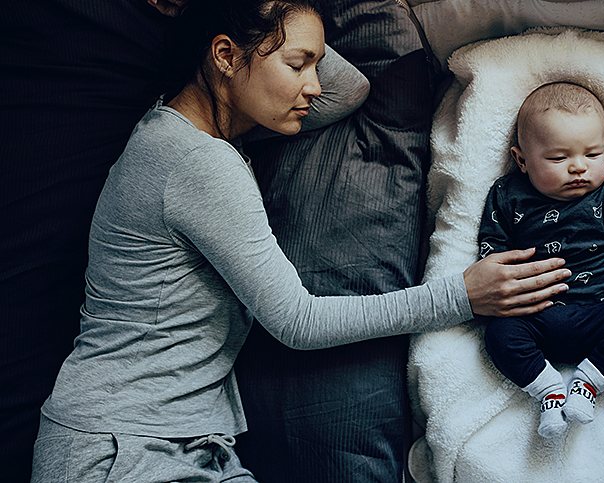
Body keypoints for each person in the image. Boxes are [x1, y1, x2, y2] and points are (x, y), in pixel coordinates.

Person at [29, 1, 570, 480]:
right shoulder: (198, 162)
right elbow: (298, 322)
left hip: (178, 444)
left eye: (314, 62)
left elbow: (349, 89)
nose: (313, 84)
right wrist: (460, 296)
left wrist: (288, 31)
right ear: (223, 55)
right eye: (297, 65)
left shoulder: (192, 131)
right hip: (120, 448)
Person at [479, 82, 604, 438]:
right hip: (533, 312)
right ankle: (547, 389)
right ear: (522, 160)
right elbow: (493, 245)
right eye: (559, 159)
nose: (578, 168)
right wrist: (499, 291)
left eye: (593, 155)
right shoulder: (507, 194)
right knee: (499, 336)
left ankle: (586, 385)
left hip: (601, 309)